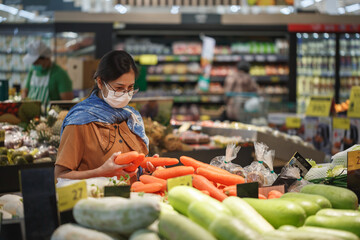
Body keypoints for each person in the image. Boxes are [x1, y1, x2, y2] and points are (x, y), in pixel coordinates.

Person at [54, 50, 149, 180]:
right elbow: (60, 176)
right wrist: (100, 172)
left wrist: (148, 170)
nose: (125, 93)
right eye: (119, 88)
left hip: (135, 199)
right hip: (95, 199)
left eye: (130, 88)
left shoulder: (132, 119)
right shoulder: (80, 121)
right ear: (100, 82)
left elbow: (136, 170)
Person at [22, 41, 73, 106]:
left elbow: (67, 102)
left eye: (36, 62)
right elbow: (25, 91)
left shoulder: (60, 74)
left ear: (46, 58)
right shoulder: (32, 71)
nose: (34, 64)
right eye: (33, 62)